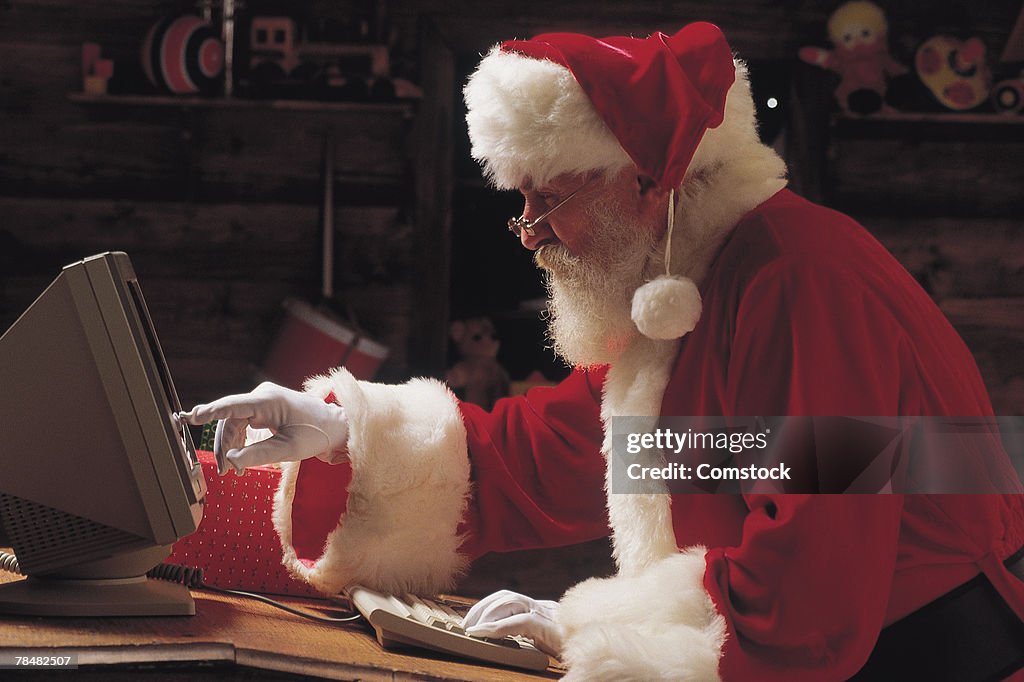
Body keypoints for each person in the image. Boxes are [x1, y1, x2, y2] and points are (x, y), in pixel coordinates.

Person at [181, 22, 1024, 681]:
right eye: (525, 203)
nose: (533, 235)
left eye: (551, 200)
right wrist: (340, 431)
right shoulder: (693, 286)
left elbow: (816, 581)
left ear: (649, 179)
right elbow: (560, 453)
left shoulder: (803, 279)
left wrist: (589, 626)